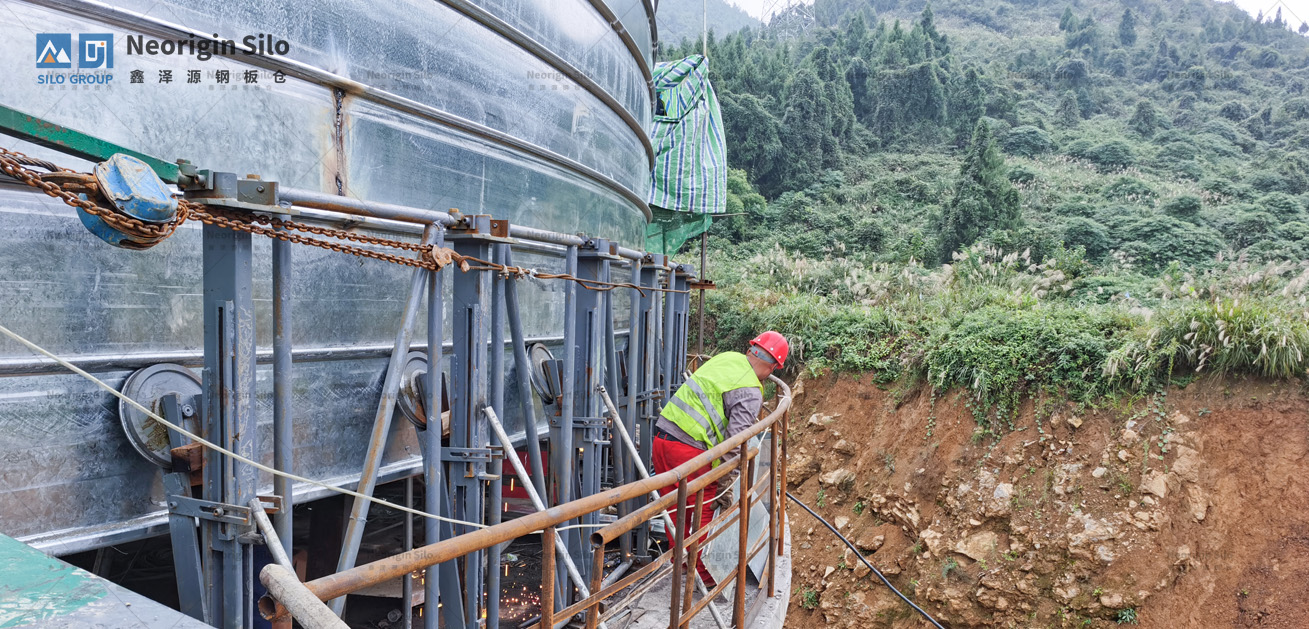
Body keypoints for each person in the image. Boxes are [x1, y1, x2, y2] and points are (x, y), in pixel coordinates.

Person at [650, 330, 789, 588]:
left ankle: (680, 563)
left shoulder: (728, 358)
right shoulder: (750, 391)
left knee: (673, 507)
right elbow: (735, 444)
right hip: (689, 451)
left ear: (751, 350)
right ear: (772, 368)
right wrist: (727, 483)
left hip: (662, 439)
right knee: (701, 512)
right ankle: (704, 577)